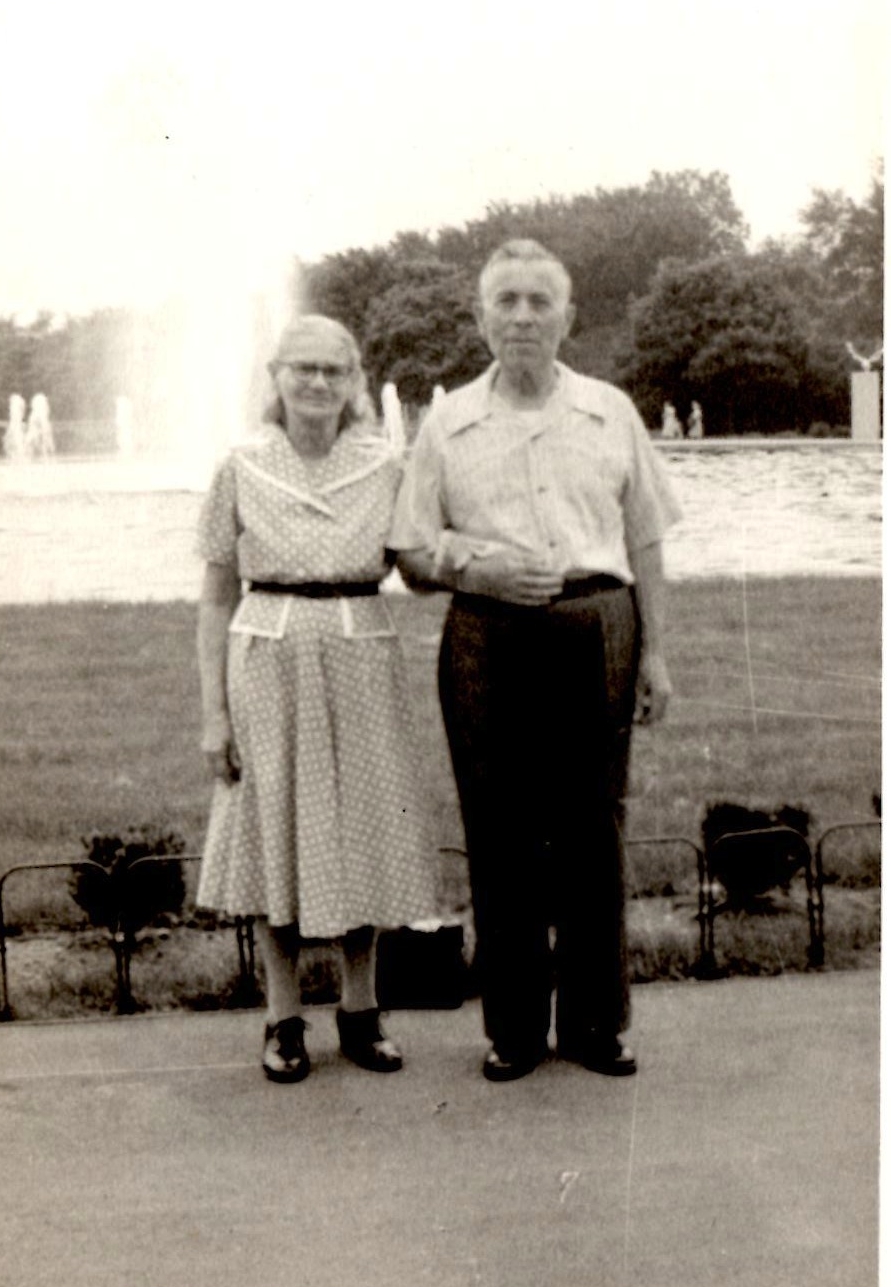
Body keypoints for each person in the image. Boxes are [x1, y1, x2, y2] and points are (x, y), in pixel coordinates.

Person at [390, 240, 681, 1082]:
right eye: (505, 301)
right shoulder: (447, 422)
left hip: (597, 624)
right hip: (487, 634)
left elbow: (645, 538)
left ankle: (596, 1023)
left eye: (538, 301)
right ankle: (513, 1028)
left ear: (567, 317)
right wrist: (473, 568)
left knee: (594, 827)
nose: (521, 316)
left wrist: (656, 652)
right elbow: (409, 549)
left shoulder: (608, 411)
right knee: (498, 829)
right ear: (480, 317)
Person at [196, 314, 436, 1083]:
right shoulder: (242, 463)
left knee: (359, 823)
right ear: (276, 375)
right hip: (267, 652)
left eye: (334, 370)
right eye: (302, 367)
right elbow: (215, 593)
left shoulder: (384, 463)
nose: (317, 383)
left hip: (360, 648)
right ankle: (283, 1015)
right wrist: (213, 714)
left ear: (355, 380)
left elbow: (422, 560)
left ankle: (361, 1011)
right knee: (278, 826)